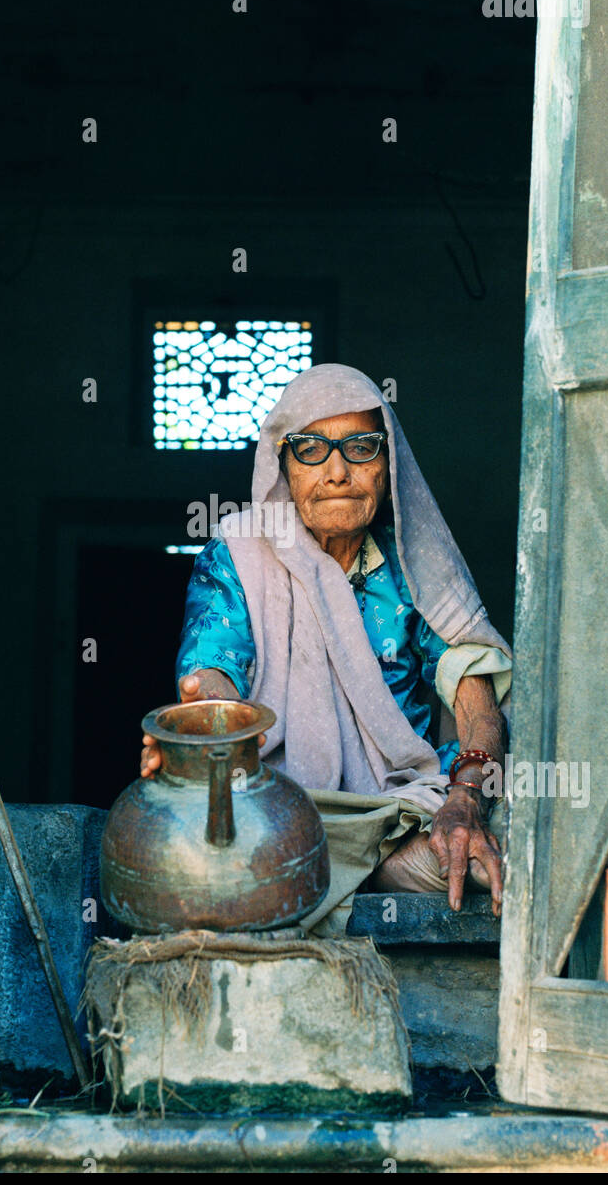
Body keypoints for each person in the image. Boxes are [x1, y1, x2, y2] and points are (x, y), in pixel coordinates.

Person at [141, 363, 512, 934]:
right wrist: (206, 728)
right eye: (311, 449)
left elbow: (476, 701)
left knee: (504, 855)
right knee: (196, 840)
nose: (337, 472)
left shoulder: (414, 567)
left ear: (388, 466)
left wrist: (467, 799)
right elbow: (214, 671)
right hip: (273, 808)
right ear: (282, 464)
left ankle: (347, 871)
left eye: (361, 448)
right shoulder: (237, 555)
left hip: (398, 811)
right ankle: (337, 871)